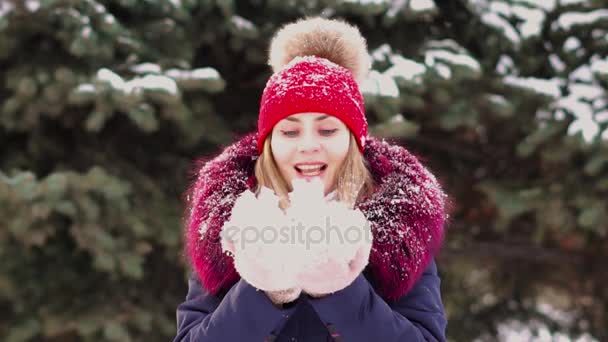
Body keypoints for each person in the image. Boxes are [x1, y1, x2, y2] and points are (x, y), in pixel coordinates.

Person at [174, 16, 449, 342]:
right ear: (269, 144)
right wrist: (265, 291)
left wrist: (338, 290)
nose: (308, 145)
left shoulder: (400, 233)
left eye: (328, 129)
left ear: (353, 141)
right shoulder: (234, 227)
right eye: (290, 131)